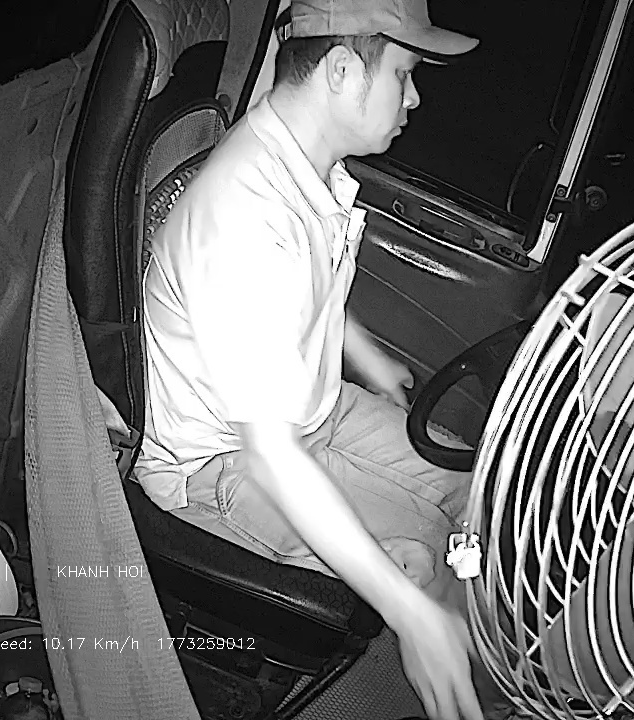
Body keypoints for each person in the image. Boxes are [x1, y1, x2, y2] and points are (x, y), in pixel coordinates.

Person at [136, 1, 501, 718]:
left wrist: (366, 356)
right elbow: (269, 454)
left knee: (477, 480)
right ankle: (459, 688)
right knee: (425, 556)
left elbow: (302, 288)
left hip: (304, 405)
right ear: (340, 71)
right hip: (222, 460)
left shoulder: (302, 162)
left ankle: (479, 642)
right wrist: (409, 613)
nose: (414, 98)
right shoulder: (246, 213)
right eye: (403, 74)